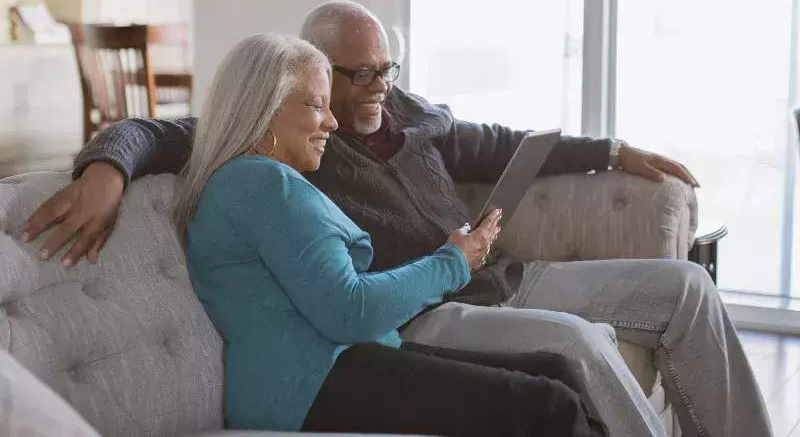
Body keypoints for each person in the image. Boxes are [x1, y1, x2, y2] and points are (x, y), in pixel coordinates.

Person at [21, 0, 772, 437]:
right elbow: (159, 130)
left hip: (500, 276)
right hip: (428, 304)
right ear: (308, 76)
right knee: (570, 351)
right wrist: (107, 167)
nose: (381, 86)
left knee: (685, 288)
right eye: (358, 75)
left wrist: (613, 150)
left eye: (388, 69)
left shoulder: (404, 114)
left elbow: (504, 143)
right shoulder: (279, 144)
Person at [171, 33, 607, 436]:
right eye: (315, 105)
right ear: (264, 109)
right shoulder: (263, 185)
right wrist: (453, 261)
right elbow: (350, 309)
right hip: (309, 385)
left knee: (557, 370)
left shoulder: (256, 181)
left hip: (342, 361)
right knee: (551, 404)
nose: (331, 122)